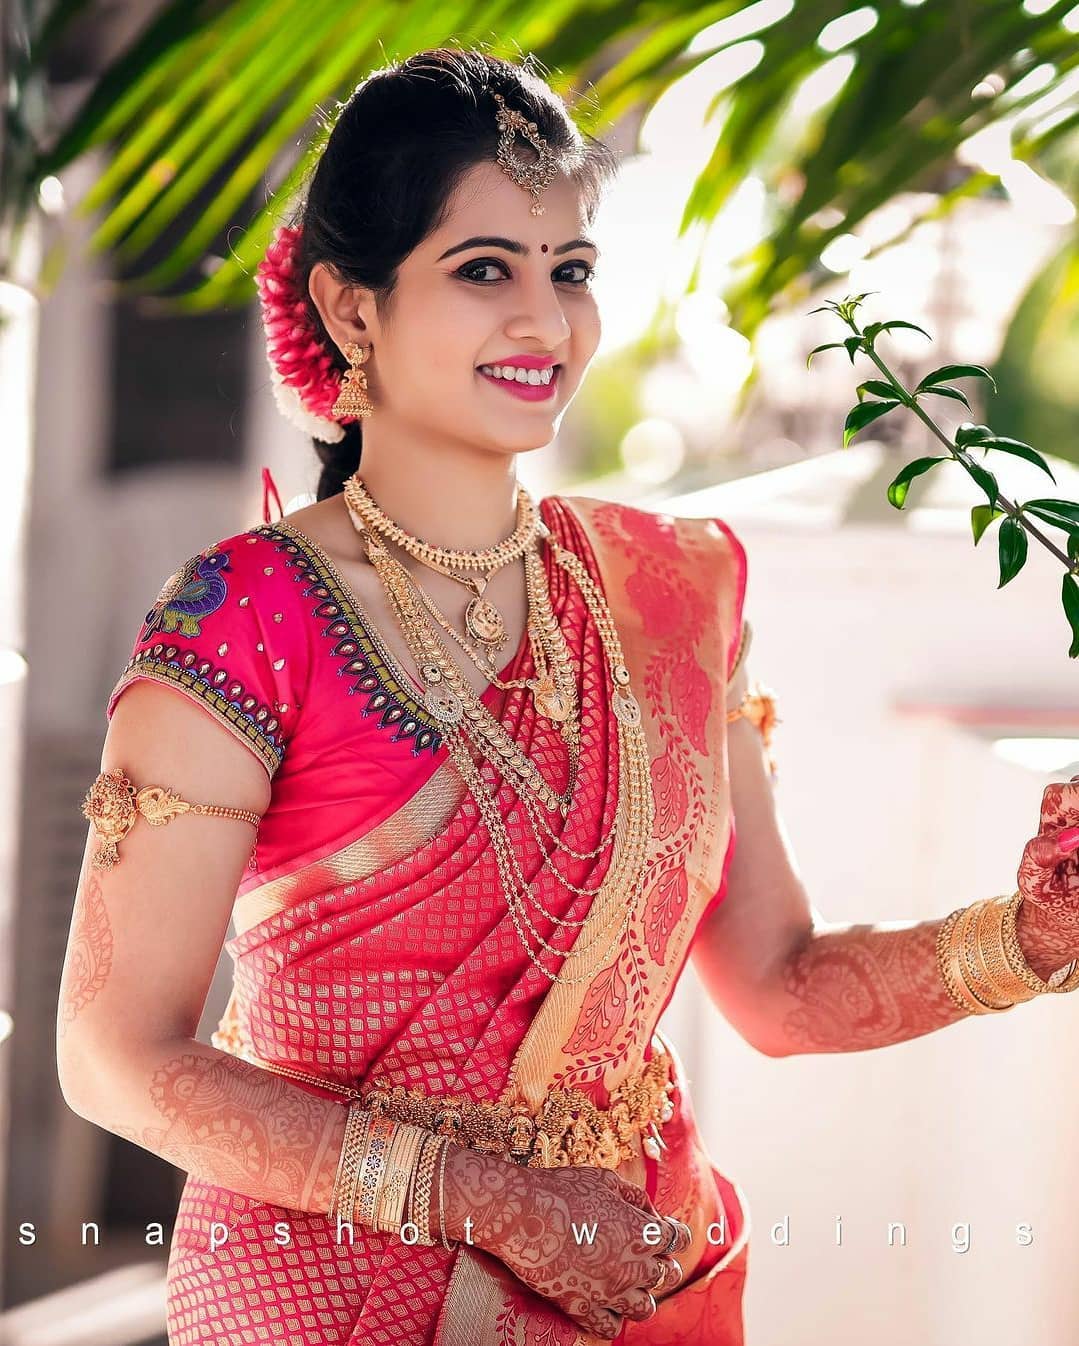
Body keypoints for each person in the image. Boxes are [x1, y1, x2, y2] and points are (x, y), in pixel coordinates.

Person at [55, 45, 1079, 1346]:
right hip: (340, 1296)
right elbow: (115, 1055)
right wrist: (494, 1199)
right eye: (485, 269)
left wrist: (1032, 939)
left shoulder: (673, 591)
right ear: (353, 308)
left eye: (571, 271)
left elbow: (780, 983)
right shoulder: (246, 616)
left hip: (640, 1281)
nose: (546, 320)